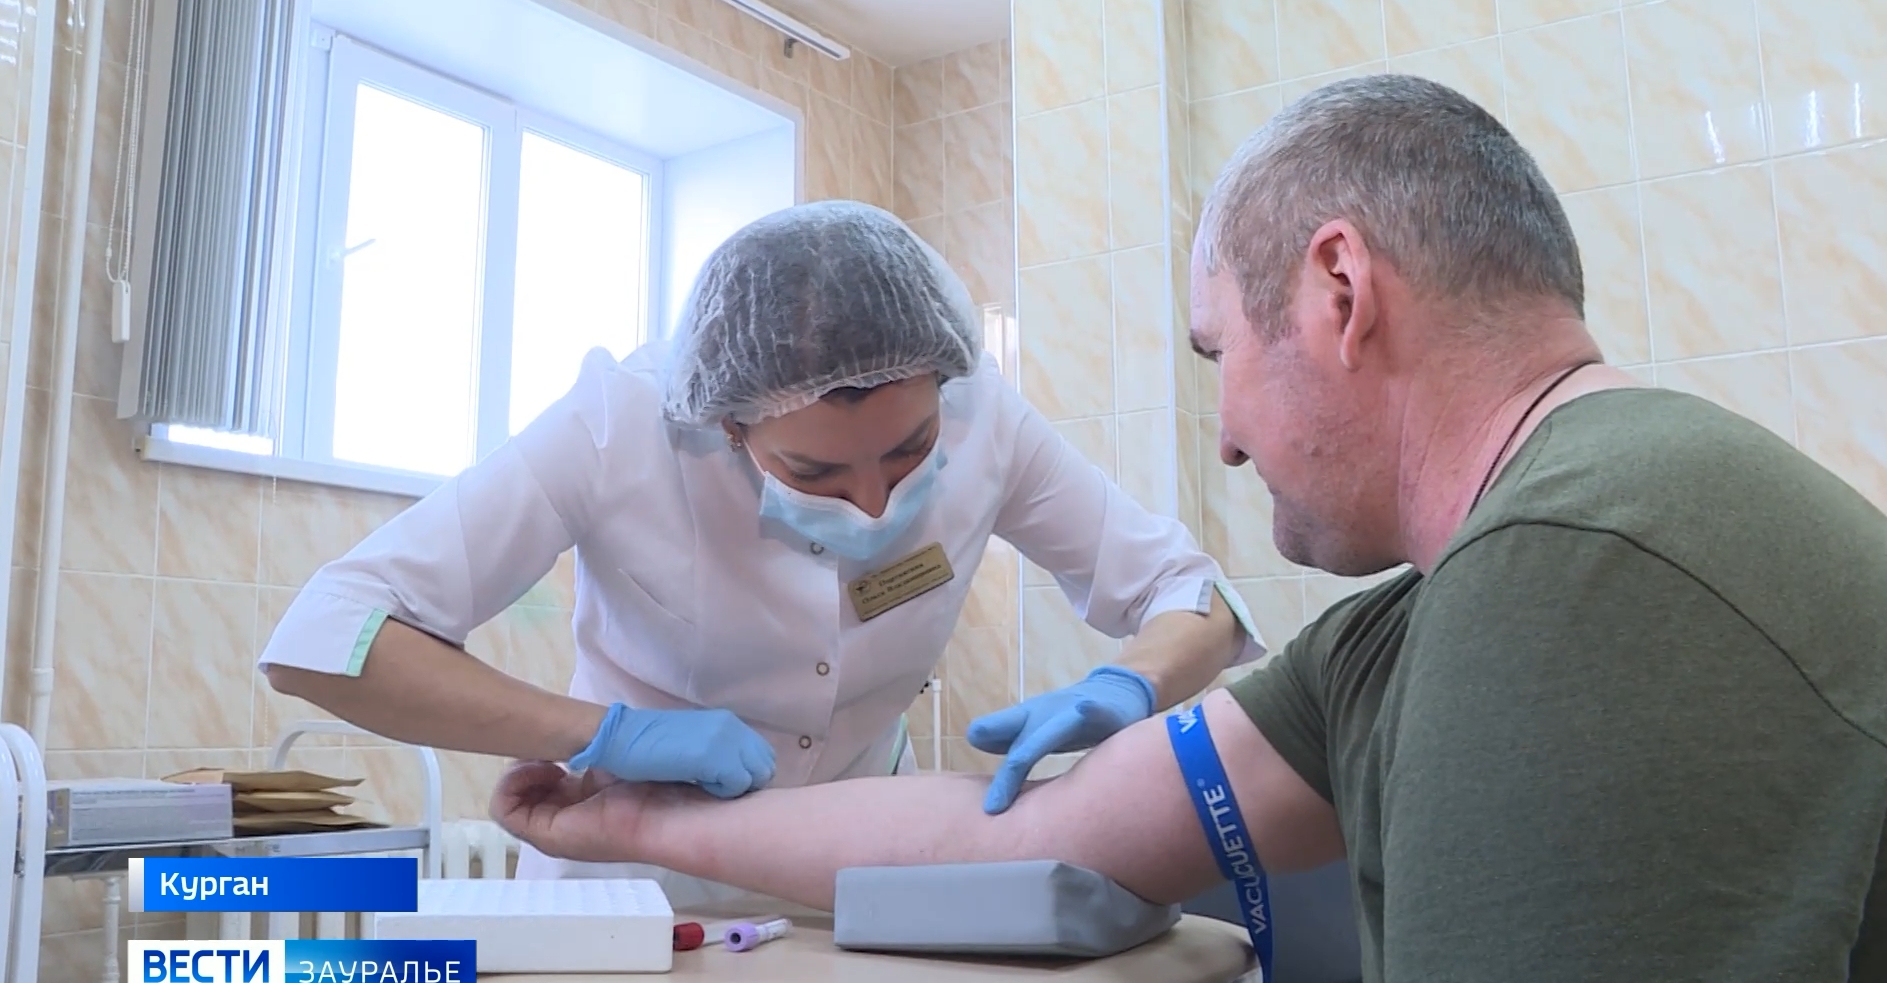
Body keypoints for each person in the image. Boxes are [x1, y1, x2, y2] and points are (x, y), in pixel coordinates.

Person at [490, 75, 1887, 981]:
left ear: (1338, 293)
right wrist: (630, 816)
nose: (1221, 433)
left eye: (1219, 351)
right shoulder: (1432, 616)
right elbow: (1035, 836)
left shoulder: (1574, 574)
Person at [259, 200, 1263, 904]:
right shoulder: (619, 426)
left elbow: (1196, 596)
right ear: (724, 423)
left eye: (909, 451)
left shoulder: (986, 418)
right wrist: (607, 732)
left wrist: (1131, 680)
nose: (873, 501)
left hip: (862, 868)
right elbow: (327, 637)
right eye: (813, 470)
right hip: (632, 880)